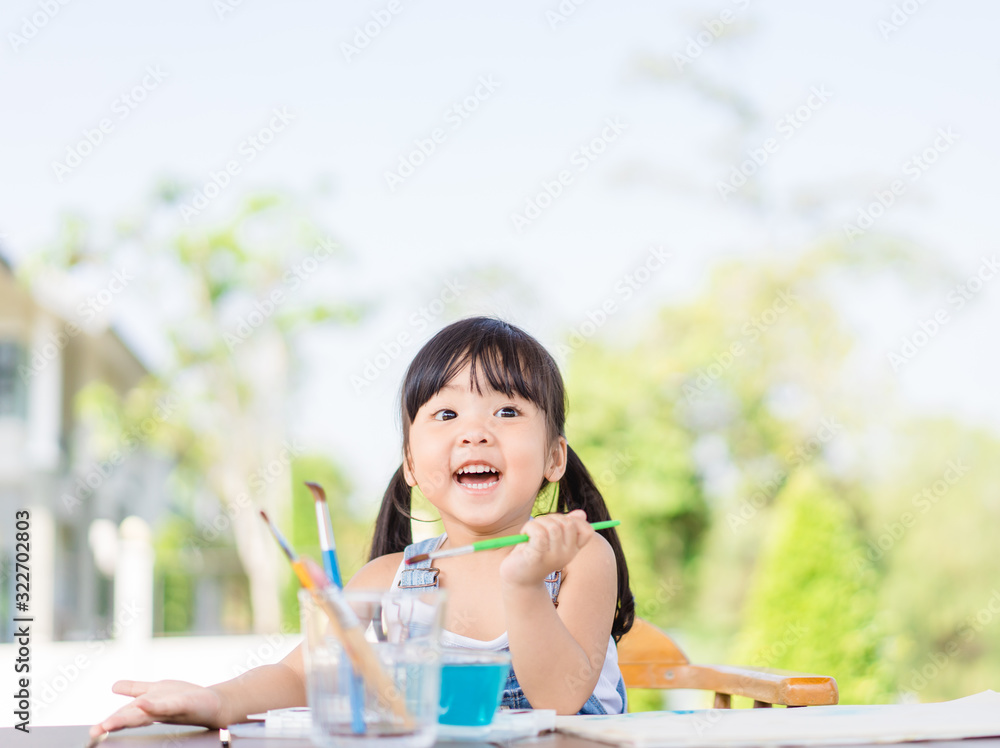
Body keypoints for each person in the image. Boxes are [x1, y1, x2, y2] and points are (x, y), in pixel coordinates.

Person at [89, 316, 634, 740]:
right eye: (446, 415)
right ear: (413, 467)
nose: (475, 433)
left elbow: (558, 701)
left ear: (554, 457)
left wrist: (524, 585)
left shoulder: (580, 557)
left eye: (508, 412)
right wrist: (216, 700)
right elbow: (305, 675)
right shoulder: (388, 578)